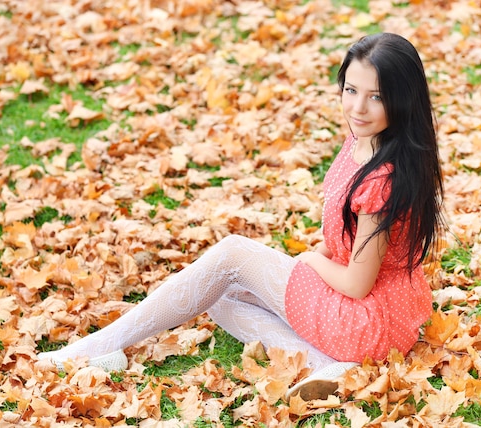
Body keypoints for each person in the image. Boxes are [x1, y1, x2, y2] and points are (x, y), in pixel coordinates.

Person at [37, 32, 444, 402]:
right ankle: (326, 367)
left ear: (402, 99)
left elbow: (356, 284)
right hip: (382, 313)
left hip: (366, 319)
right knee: (219, 293)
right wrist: (315, 258)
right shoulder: (367, 141)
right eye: (351, 89)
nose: (357, 107)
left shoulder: (384, 179)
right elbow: (349, 241)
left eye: (375, 96)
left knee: (231, 256)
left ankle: (92, 349)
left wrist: (309, 261)